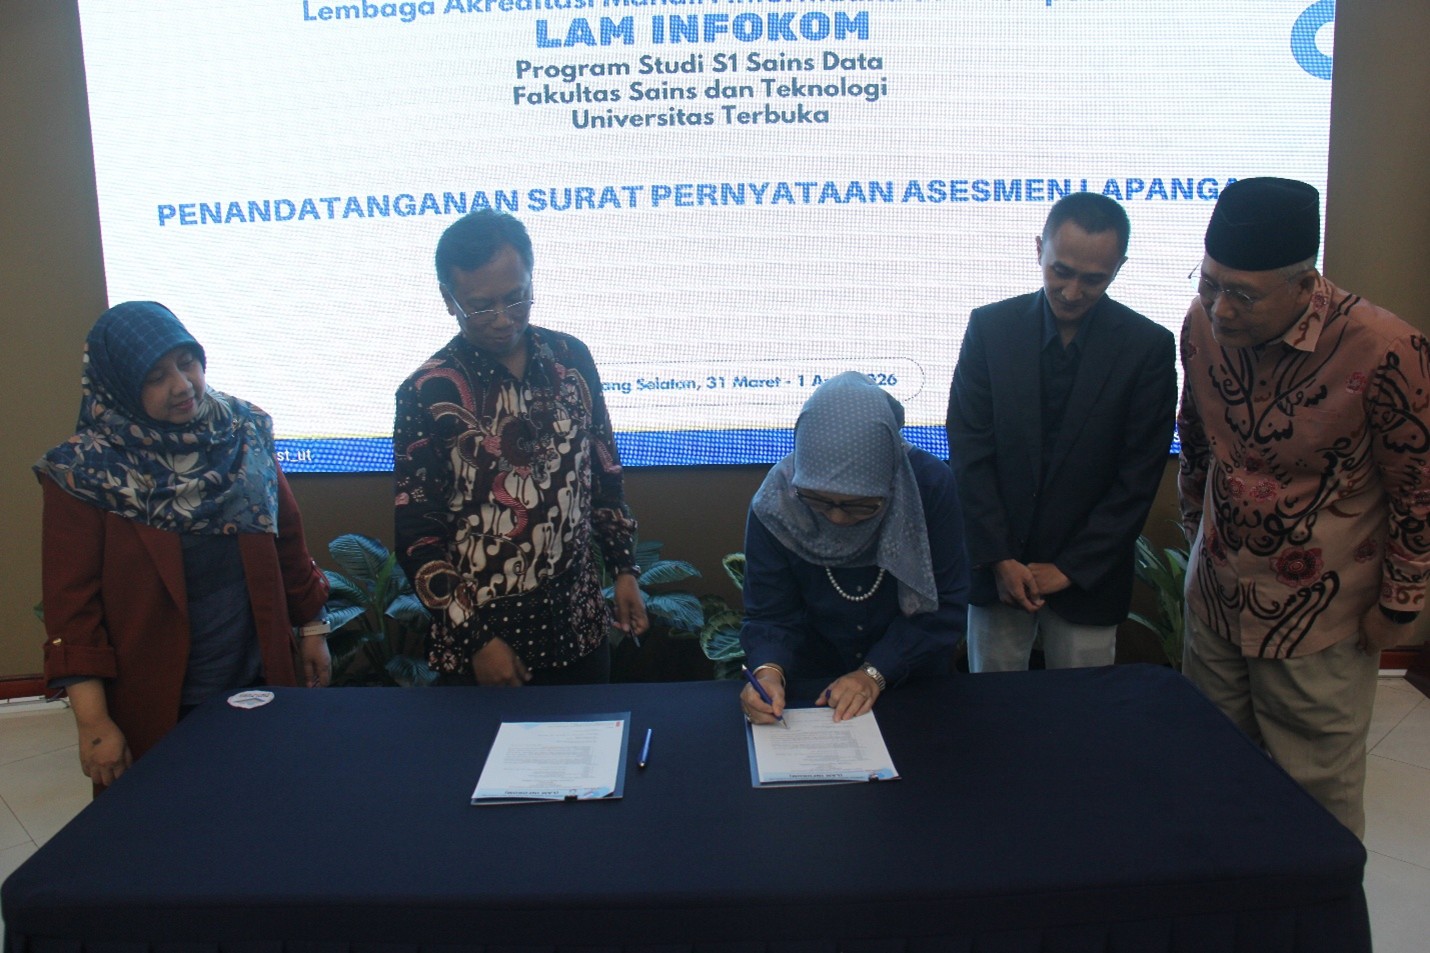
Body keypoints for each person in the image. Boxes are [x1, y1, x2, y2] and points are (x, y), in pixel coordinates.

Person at [1177, 176, 1430, 837]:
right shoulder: (1200, 324)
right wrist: (1194, 530)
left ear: (1303, 284)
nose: (1221, 309)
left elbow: (1418, 487)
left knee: (1314, 796)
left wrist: (1399, 604)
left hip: (1320, 611)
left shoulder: (1385, 348)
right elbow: (1196, 436)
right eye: (1209, 282)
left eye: (1243, 294)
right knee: (1208, 771)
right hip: (1217, 595)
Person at [36, 301, 331, 789]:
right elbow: (72, 608)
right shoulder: (82, 473)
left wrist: (313, 628)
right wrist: (93, 723)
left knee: (268, 804)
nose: (181, 385)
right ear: (120, 384)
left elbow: (288, 540)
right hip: (156, 697)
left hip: (258, 678)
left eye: (187, 362)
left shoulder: (243, 430)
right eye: (156, 377)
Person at [394, 209, 646, 687]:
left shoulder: (571, 360)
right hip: (483, 648)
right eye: (481, 306)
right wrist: (477, 641)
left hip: (578, 632)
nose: (503, 319)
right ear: (448, 300)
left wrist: (623, 569)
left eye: (516, 298)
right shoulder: (427, 392)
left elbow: (604, 474)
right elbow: (418, 538)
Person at [946, 192, 1177, 672]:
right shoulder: (990, 328)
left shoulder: (1148, 347)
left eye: (1093, 279)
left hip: (1090, 578)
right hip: (999, 570)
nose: (1072, 292)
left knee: (1083, 709)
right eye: (1061, 271)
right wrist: (1000, 558)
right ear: (1039, 250)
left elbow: (1137, 477)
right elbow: (970, 452)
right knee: (994, 705)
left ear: (1119, 267)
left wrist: (1072, 568)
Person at [739, 372, 969, 724]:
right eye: (818, 500)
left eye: (860, 505)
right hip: (811, 688)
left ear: (889, 482)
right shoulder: (779, 503)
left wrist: (875, 672)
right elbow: (770, 613)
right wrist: (768, 671)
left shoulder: (928, 488)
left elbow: (945, 604)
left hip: (912, 681)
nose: (837, 518)